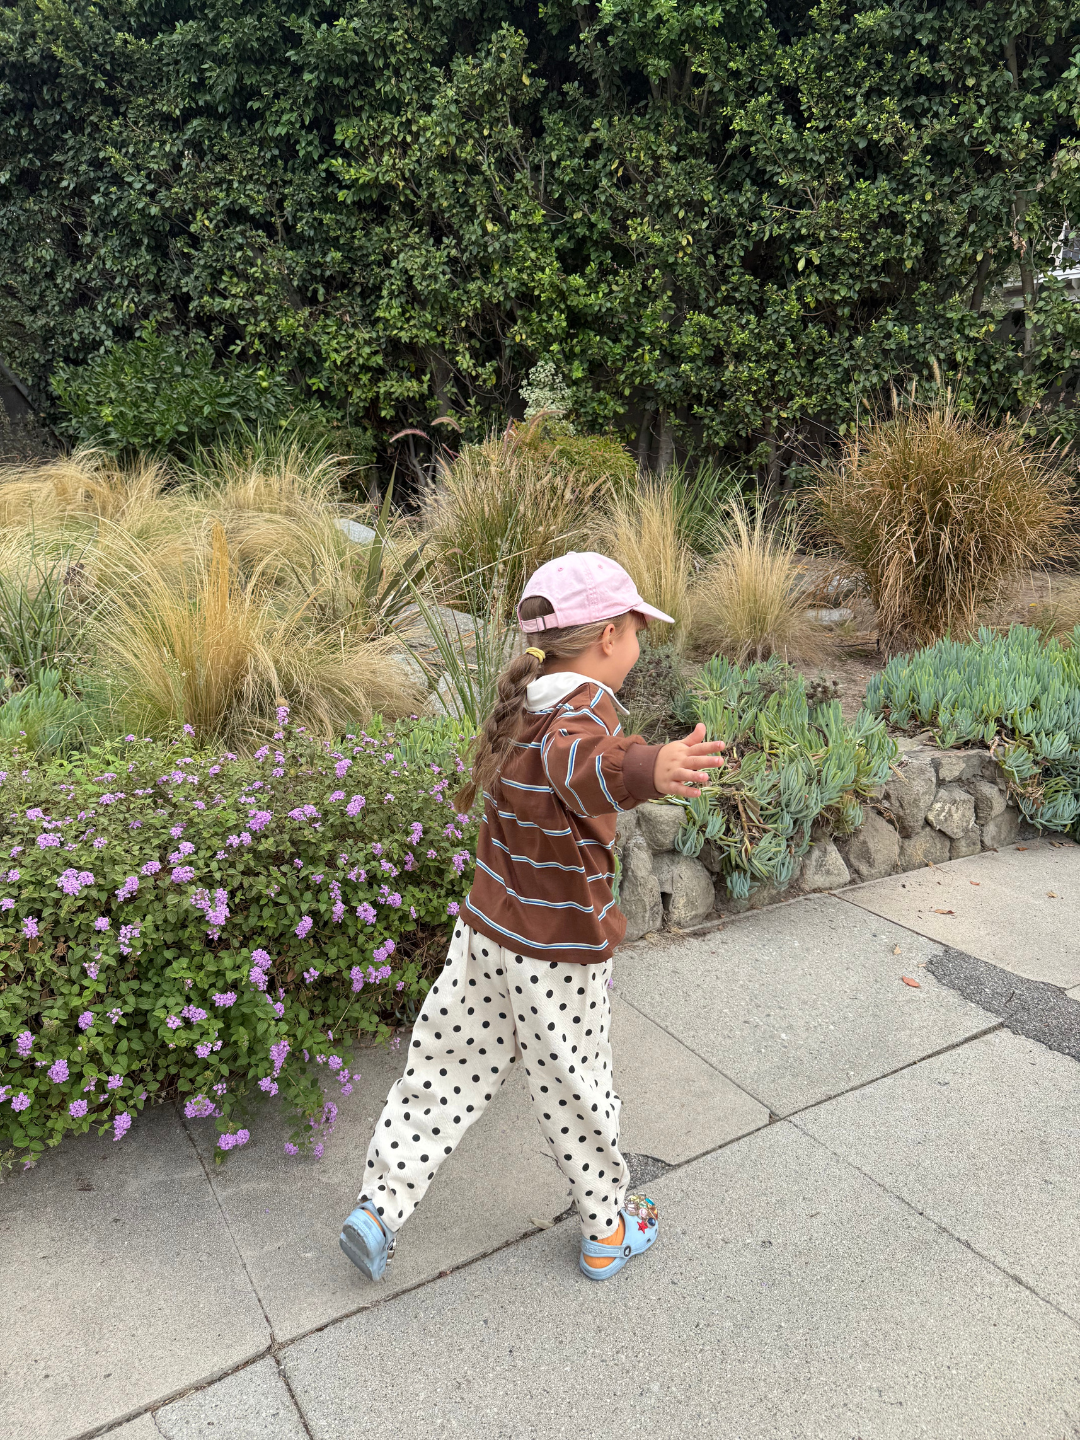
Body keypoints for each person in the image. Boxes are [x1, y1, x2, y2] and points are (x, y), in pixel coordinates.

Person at [339, 551, 724, 1281]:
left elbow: (567, 765)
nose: (641, 647)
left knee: (443, 1068)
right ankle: (606, 1229)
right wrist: (650, 768)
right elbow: (584, 766)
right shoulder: (576, 716)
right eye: (639, 630)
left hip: (485, 935)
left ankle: (379, 1208)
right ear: (609, 636)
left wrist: (636, 764)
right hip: (556, 954)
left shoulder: (528, 702)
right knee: (576, 1087)